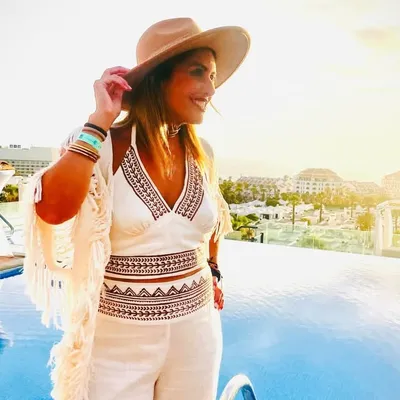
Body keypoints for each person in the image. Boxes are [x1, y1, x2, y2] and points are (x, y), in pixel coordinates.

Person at [23, 17, 250, 400]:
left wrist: (213, 268)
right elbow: (52, 211)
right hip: (118, 339)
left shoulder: (202, 154)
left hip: (198, 331)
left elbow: (211, 222)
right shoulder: (100, 144)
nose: (211, 89)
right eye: (198, 72)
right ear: (159, 79)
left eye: (212, 76)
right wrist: (99, 120)